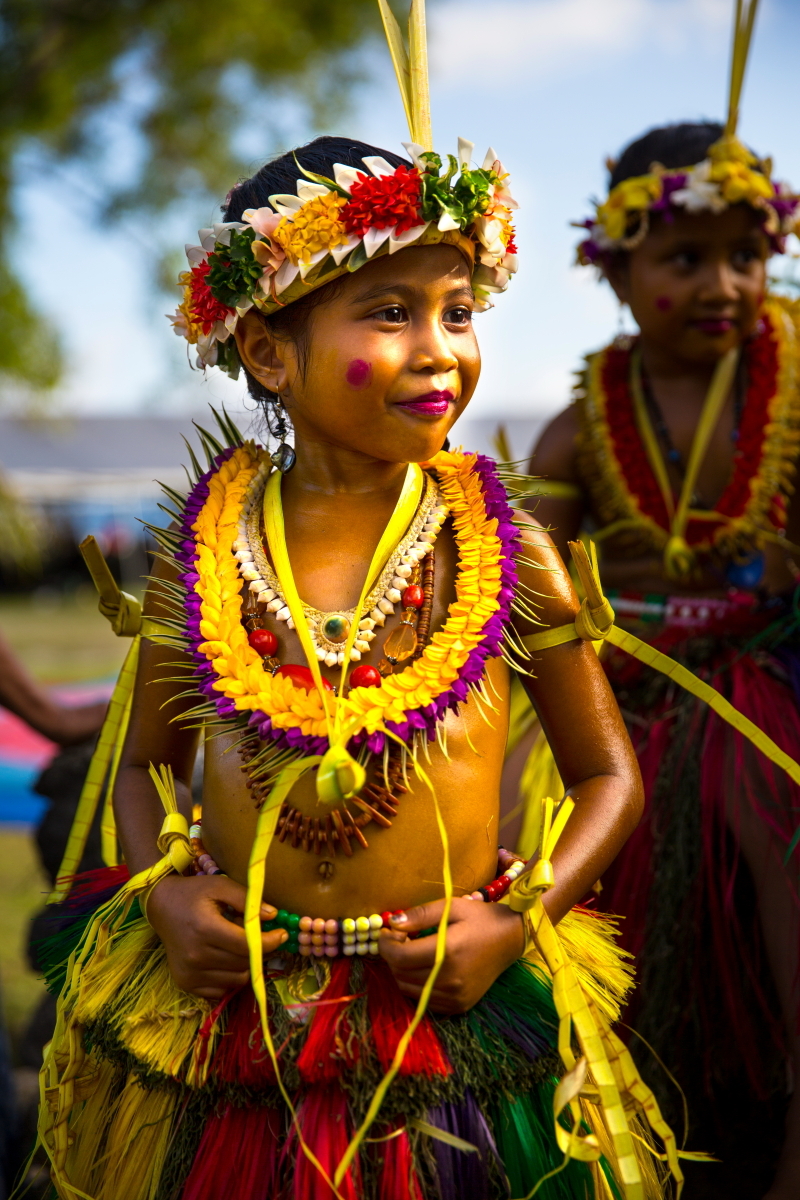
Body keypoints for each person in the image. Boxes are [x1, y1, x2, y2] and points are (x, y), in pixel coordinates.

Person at [27, 6, 696, 1198]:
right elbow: (140, 769)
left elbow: (610, 778)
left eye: (457, 310)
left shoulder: (507, 552)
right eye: (388, 314)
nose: (438, 348)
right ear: (271, 355)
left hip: (449, 1014)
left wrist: (514, 921)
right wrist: (167, 891)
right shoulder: (205, 562)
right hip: (241, 1022)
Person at [526, 100, 800, 1200]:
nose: (723, 287)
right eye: (684, 259)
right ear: (612, 272)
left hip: (772, 681)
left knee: (758, 793)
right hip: (626, 696)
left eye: (745, 256)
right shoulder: (585, 415)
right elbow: (521, 567)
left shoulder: (790, 384)